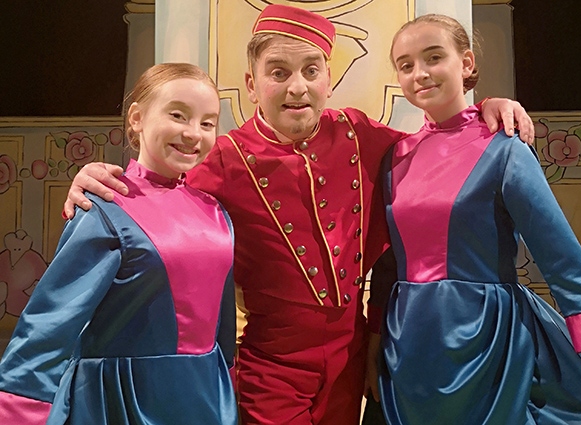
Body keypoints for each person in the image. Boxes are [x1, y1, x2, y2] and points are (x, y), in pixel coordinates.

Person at [61, 5, 534, 424]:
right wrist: (99, 182)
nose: (297, 87)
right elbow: (158, 194)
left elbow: (438, 147)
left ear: (328, 79)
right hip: (271, 366)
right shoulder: (222, 158)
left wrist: (483, 110)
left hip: (351, 362)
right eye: (278, 72)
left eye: (311, 70)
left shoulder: (356, 132)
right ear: (251, 84)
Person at [368, 13, 581, 424]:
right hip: (407, 350)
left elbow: (563, 260)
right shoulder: (394, 157)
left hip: (490, 345)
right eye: (406, 66)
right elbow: (388, 264)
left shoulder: (504, 147)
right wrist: (373, 348)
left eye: (433, 57)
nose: (419, 73)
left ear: (467, 63)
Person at [0, 63, 238, 424]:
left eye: (207, 123)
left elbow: (222, 332)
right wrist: (18, 411)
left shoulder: (215, 213)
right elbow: (48, 326)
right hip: (122, 403)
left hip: (207, 399)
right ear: (138, 118)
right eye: (178, 115)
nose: (193, 133)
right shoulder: (104, 208)